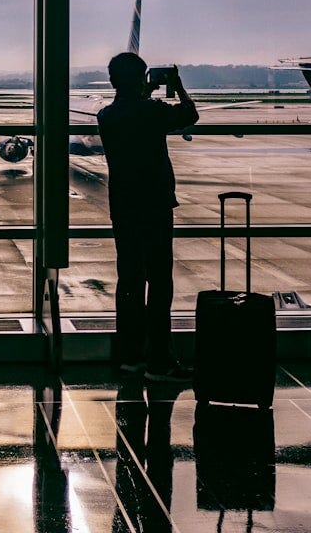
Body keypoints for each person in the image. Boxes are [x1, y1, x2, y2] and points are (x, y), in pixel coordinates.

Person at [97, 52, 198, 382]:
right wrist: (177, 86)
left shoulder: (106, 116)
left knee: (129, 281)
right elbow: (189, 115)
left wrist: (142, 90)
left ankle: (130, 357)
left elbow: (130, 109)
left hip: (123, 206)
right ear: (142, 80)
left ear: (112, 81)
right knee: (159, 282)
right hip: (154, 205)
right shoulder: (153, 111)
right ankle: (160, 360)